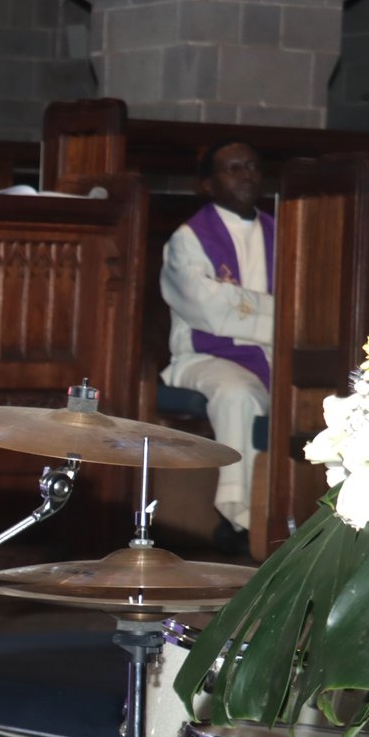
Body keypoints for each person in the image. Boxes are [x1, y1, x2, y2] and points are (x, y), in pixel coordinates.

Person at [161, 139, 271, 556]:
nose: (247, 175)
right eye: (233, 168)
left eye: (252, 166)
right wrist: (278, 313)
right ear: (207, 183)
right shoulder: (188, 239)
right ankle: (236, 518)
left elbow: (307, 307)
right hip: (204, 357)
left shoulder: (286, 233)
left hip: (274, 356)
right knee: (237, 393)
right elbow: (206, 308)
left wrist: (247, 303)